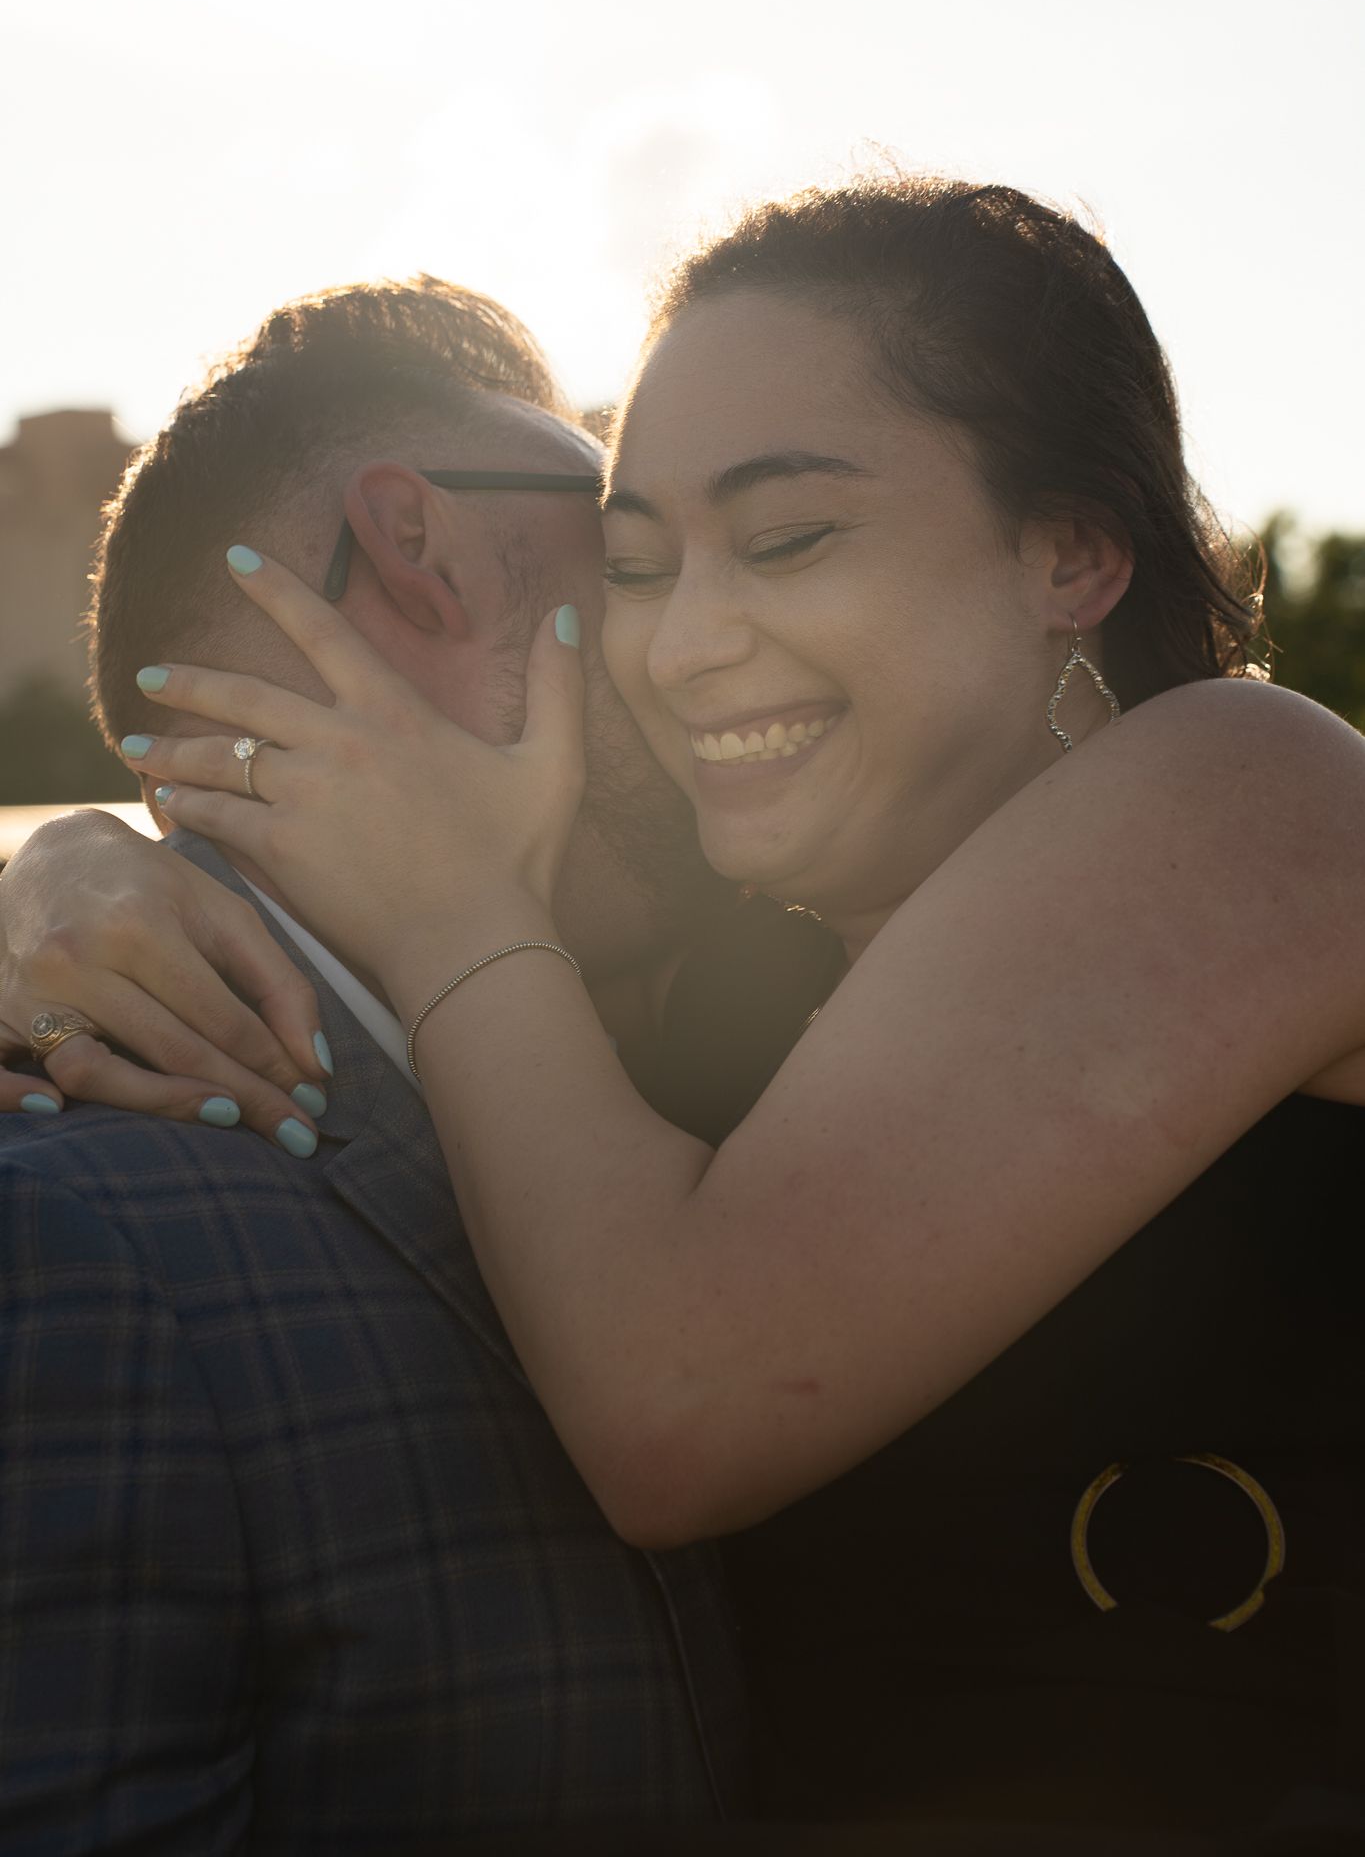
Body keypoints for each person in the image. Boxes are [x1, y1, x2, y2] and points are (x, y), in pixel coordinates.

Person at [7, 176, 1365, 1838]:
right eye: (635, 561)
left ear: (1070, 549)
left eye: (786, 538)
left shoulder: (1254, 784)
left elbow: (672, 1406)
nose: (679, 643)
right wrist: (90, 860)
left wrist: (453, 910)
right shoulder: (721, 1017)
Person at [0, 277, 761, 1849]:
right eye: (628, 554)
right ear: (422, 554)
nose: (701, 636)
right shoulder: (70, 1235)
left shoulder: (728, 1060)